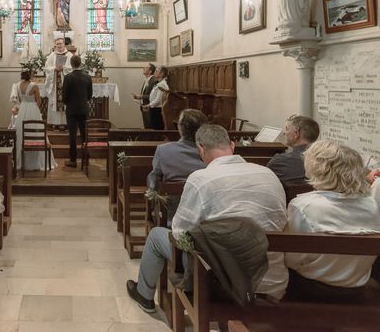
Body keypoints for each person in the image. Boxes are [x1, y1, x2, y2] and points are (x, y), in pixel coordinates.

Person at [127, 125, 288, 313]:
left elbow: (180, 234)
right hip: (271, 280)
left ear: (201, 149)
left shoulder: (201, 178)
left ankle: (144, 295)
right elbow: (281, 221)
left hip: (218, 283)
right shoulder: (268, 175)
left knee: (156, 235)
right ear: (232, 145)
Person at [285, 140, 380, 302]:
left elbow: (291, 259)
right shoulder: (372, 205)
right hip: (357, 289)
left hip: (310, 289)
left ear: (317, 170)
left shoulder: (302, 206)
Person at [14, 70, 55, 172]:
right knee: (36, 131)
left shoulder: (18, 85)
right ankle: (36, 162)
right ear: (31, 76)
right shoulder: (34, 85)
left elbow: (19, 99)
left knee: (21, 132)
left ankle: (21, 162)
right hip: (33, 109)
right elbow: (39, 101)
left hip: (22, 109)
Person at [267, 115, 319, 182]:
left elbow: (266, 182)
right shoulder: (326, 160)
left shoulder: (279, 161)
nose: (284, 133)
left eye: (287, 129)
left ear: (296, 133)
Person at [62, 55, 93, 168]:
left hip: (71, 110)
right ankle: (86, 158)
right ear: (80, 63)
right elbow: (89, 95)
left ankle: (73, 160)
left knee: (73, 136)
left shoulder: (68, 77)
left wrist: (68, 103)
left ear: (71, 64)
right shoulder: (88, 77)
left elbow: (64, 95)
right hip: (84, 109)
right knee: (85, 135)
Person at [43, 38, 73, 127]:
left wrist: (64, 68)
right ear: (55, 45)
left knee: (66, 102)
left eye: (60, 44)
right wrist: (54, 69)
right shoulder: (51, 56)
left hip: (65, 82)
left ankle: (65, 123)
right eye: (57, 44)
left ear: (64, 44)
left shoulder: (70, 55)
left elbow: (72, 67)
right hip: (55, 83)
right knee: (55, 102)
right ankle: (55, 123)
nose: (59, 46)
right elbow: (47, 68)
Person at [142, 66, 169, 130]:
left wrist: (148, 105)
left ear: (161, 74)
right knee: (154, 128)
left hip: (158, 110)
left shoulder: (162, 84)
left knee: (157, 129)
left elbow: (158, 100)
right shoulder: (159, 83)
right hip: (154, 109)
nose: (154, 73)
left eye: (156, 71)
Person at [132, 63, 157, 129]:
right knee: (147, 126)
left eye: (146, 68)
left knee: (150, 127)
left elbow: (153, 96)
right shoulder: (147, 80)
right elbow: (146, 93)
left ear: (150, 71)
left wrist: (140, 97)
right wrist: (138, 97)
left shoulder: (153, 80)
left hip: (149, 106)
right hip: (144, 105)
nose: (143, 68)